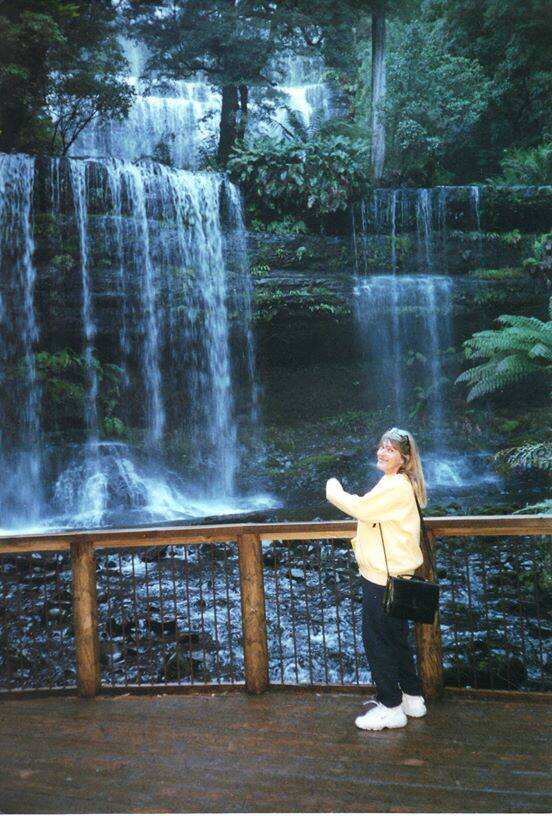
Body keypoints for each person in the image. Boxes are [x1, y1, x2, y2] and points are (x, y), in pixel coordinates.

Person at [325, 426, 428, 731]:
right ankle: (412, 698)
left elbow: (361, 508)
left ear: (404, 459)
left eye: (390, 449)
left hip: (382, 578)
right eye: (381, 447)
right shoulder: (397, 482)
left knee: (377, 641)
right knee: (395, 639)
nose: (382, 452)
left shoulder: (396, 486)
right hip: (393, 575)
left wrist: (333, 488)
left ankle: (390, 707)